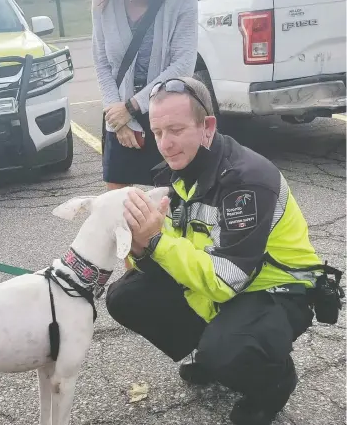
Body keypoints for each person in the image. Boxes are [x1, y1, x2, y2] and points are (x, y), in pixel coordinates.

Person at [105, 77, 344, 425]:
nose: (166, 145)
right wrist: (143, 249)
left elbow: (226, 279)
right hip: (226, 278)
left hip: (277, 288)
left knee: (228, 350)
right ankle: (214, 350)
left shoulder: (245, 182)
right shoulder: (176, 172)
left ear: (207, 127)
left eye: (176, 129)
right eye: (157, 133)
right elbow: (179, 253)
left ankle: (273, 380)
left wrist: (156, 241)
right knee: (125, 295)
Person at [91, 0, 198, 191]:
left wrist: (132, 107)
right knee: (119, 210)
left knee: (169, 205)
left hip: (166, 115)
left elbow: (183, 65)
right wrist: (118, 120)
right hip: (119, 113)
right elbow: (102, 63)